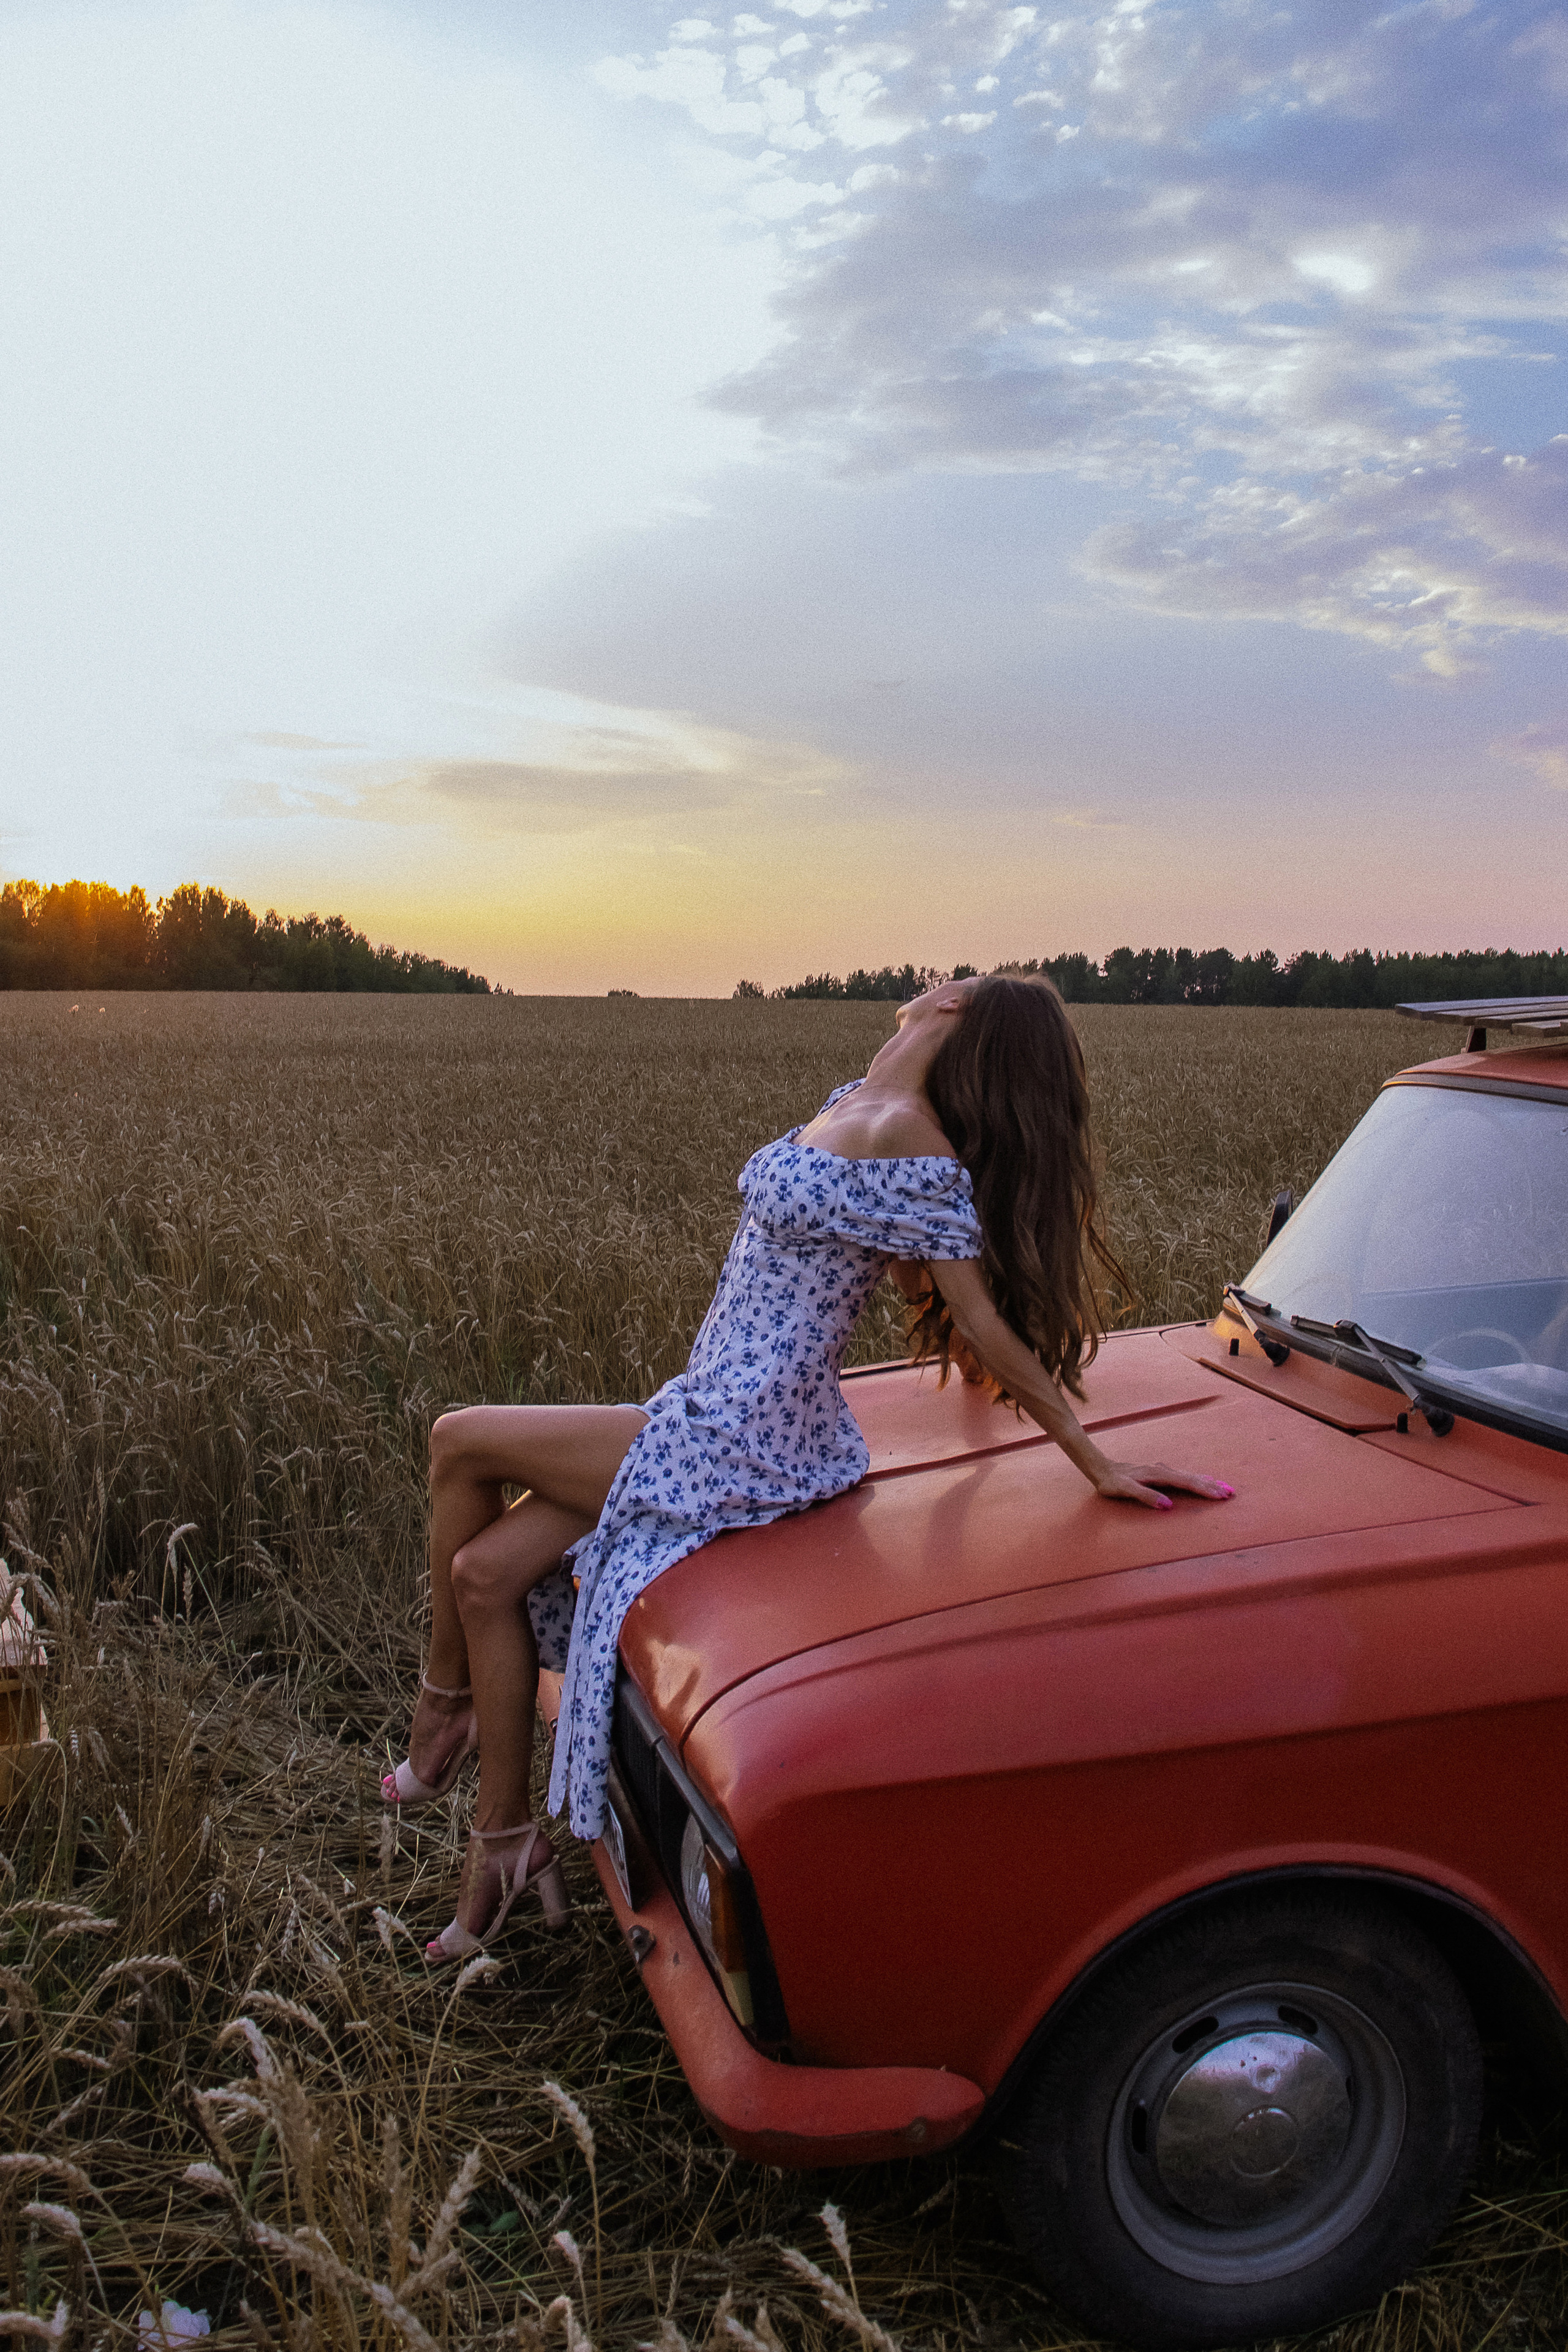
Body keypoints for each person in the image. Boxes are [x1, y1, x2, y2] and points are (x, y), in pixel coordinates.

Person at [382, 973, 1235, 1959]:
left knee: (457, 1436)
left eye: (954, 979)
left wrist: (1093, 1459)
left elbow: (984, 1325)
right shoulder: (851, 1103)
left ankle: (439, 1716)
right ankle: (505, 1839)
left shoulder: (915, 1139)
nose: (931, 980)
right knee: (485, 1572)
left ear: (960, 1012)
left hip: (748, 1432)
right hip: (703, 1402)